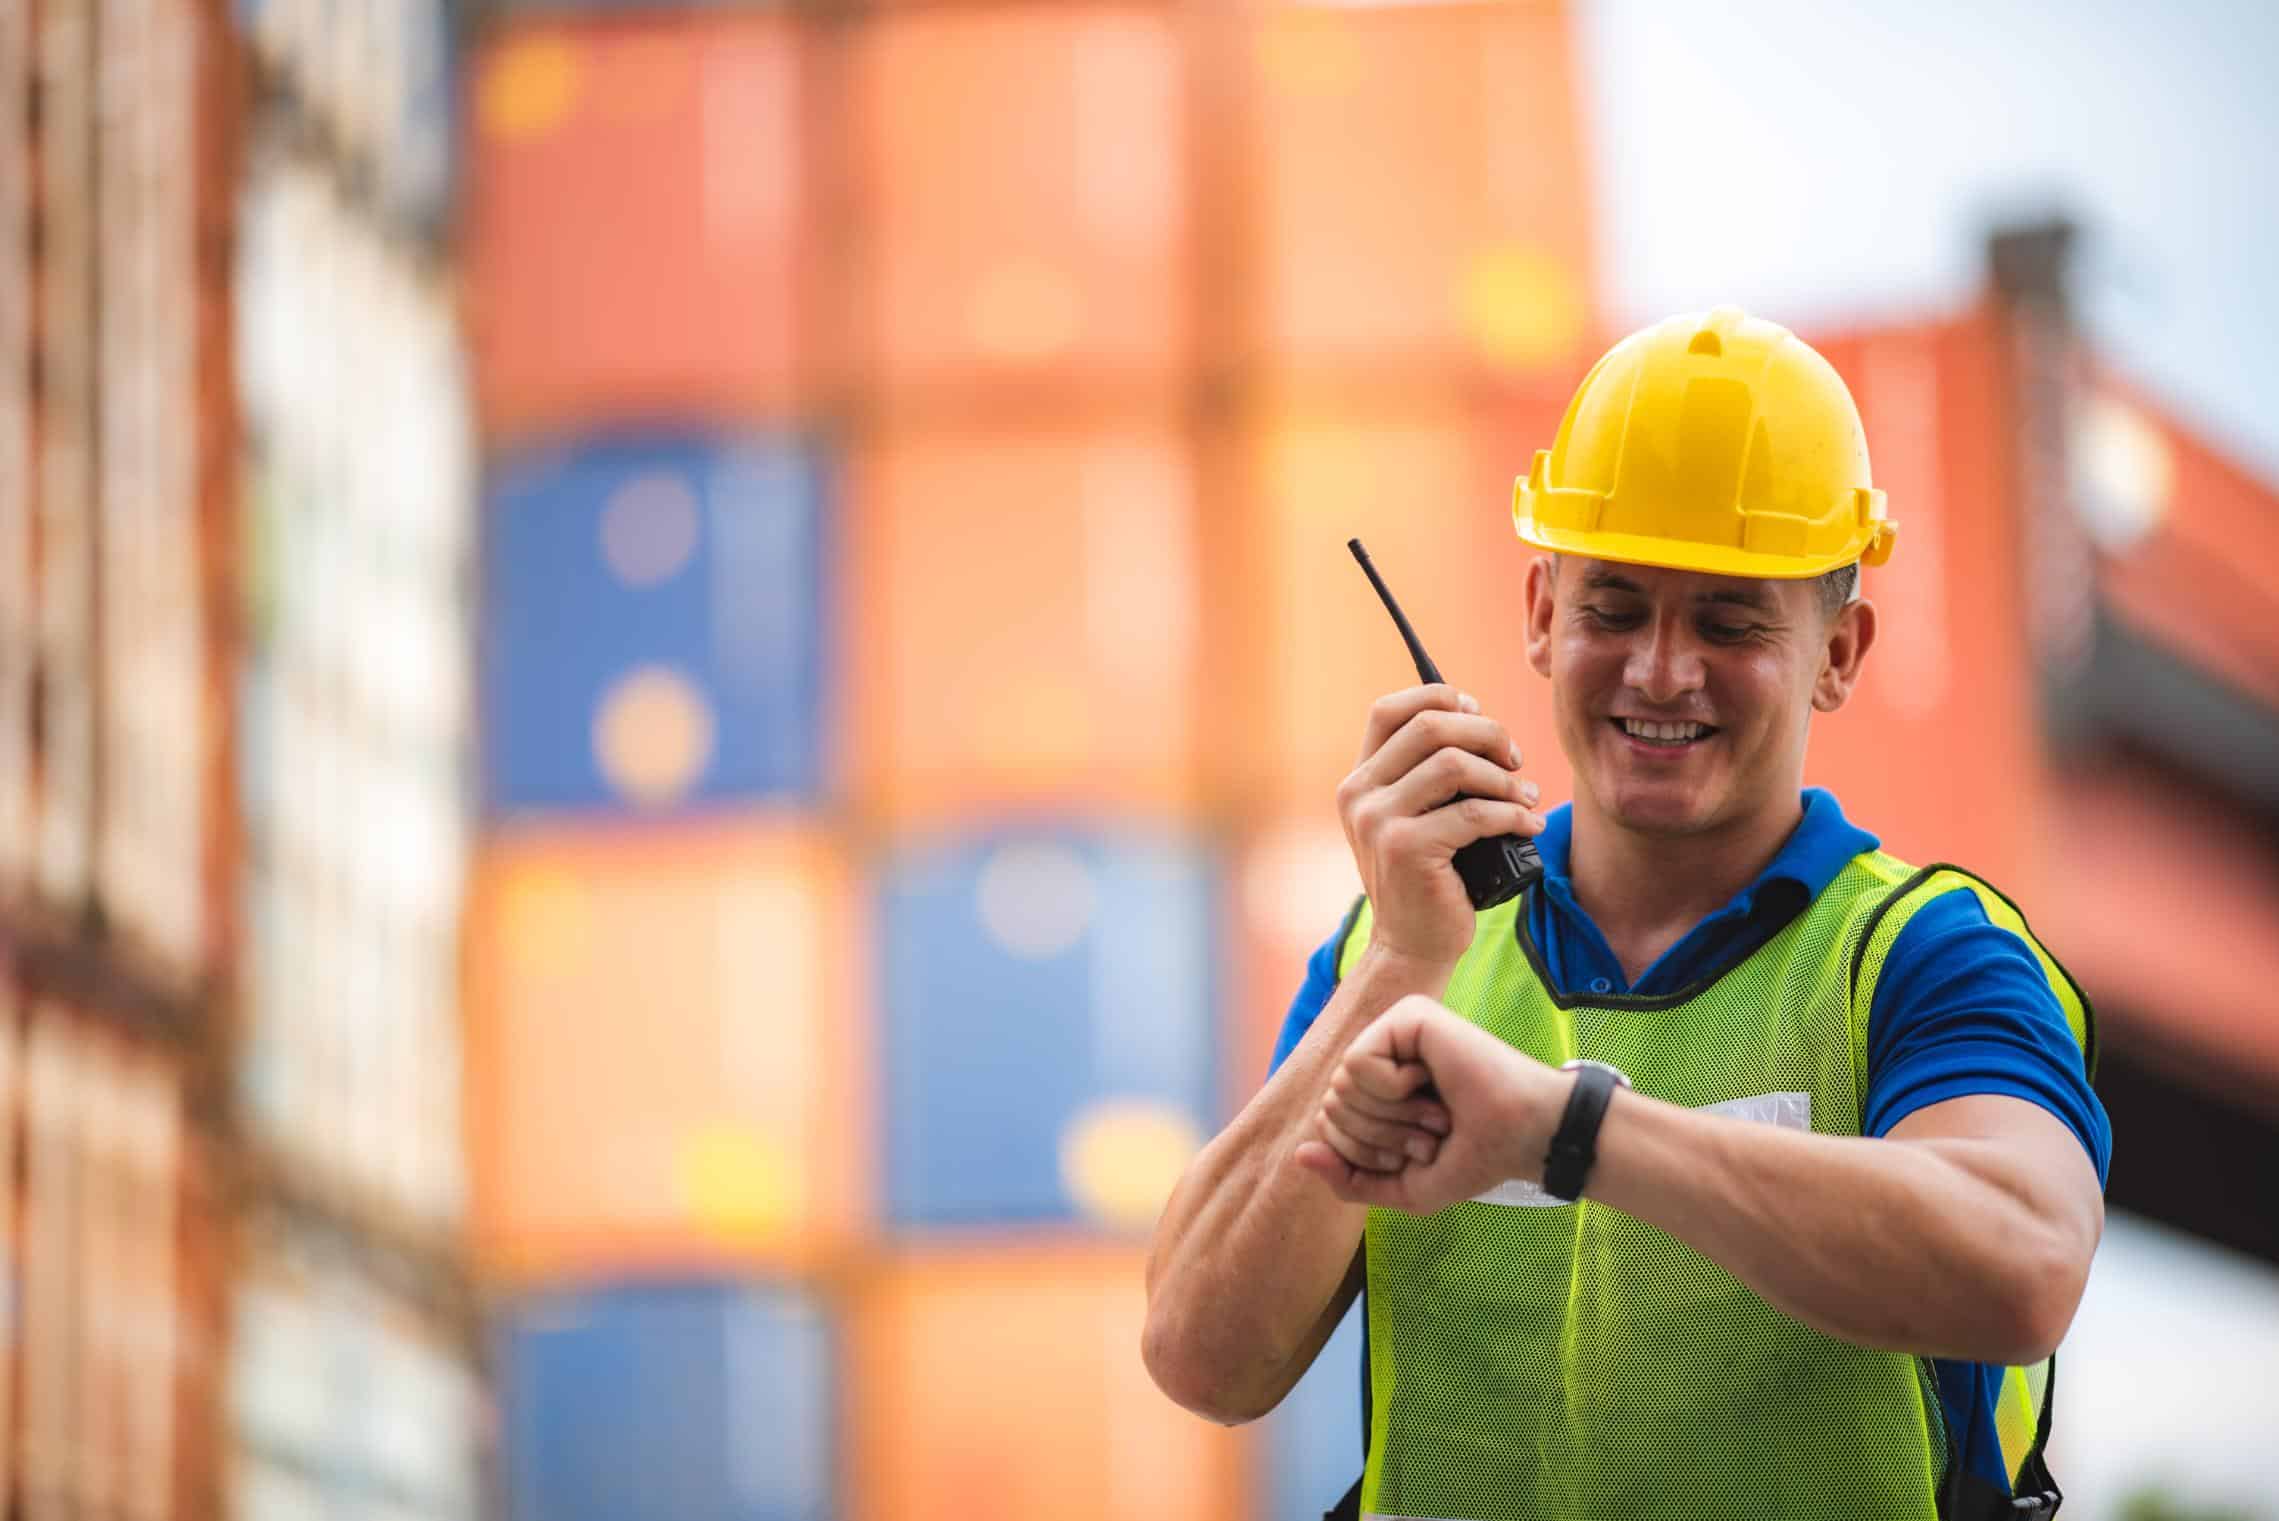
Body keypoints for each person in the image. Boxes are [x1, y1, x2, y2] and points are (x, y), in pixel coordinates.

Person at [1142, 307, 2110, 1520]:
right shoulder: (1394, 949)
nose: (1659, 669)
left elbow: (2020, 1264)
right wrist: (1399, 962)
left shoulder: (1917, 955)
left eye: (1726, 620)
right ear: (1542, 616)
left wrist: (1567, 1134)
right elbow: (1202, 1357)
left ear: (1838, 653)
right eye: (1613, 607)